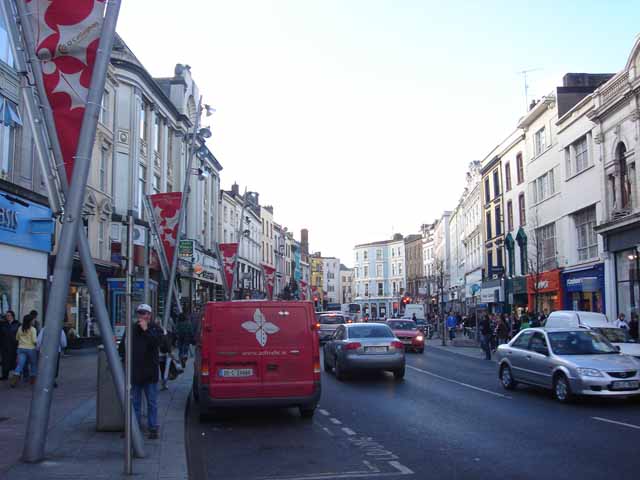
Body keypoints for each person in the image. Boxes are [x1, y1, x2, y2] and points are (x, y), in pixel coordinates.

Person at [119, 303, 163, 439]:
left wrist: (146, 330)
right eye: (140, 313)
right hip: (136, 372)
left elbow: (157, 343)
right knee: (135, 402)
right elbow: (122, 347)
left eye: (144, 313)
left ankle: (153, 427)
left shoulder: (154, 328)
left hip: (150, 373)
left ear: (149, 315)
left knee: (151, 402)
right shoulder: (131, 329)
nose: (142, 316)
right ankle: (134, 428)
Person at [11, 315, 38, 387]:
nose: (34, 321)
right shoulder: (33, 329)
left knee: (20, 365)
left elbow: (17, 338)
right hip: (31, 349)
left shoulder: (20, 328)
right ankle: (33, 380)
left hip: (21, 348)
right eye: (33, 320)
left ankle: (14, 381)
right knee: (33, 364)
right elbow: (34, 340)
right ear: (30, 321)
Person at [0, 311, 20, 380]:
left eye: (8, 315)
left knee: (15, 361)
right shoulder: (3, 324)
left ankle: (16, 376)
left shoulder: (17, 324)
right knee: (5, 361)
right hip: (4, 345)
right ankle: (5, 376)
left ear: (12, 316)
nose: (7, 317)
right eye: (6, 315)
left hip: (14, 345)